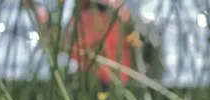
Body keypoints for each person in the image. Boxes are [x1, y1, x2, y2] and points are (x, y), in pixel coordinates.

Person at [25, 0, 160, 87]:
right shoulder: (119, 13)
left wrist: (37, 12)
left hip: (106, 87)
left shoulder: (93, 17)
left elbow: (60, 44)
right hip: (119, 83)